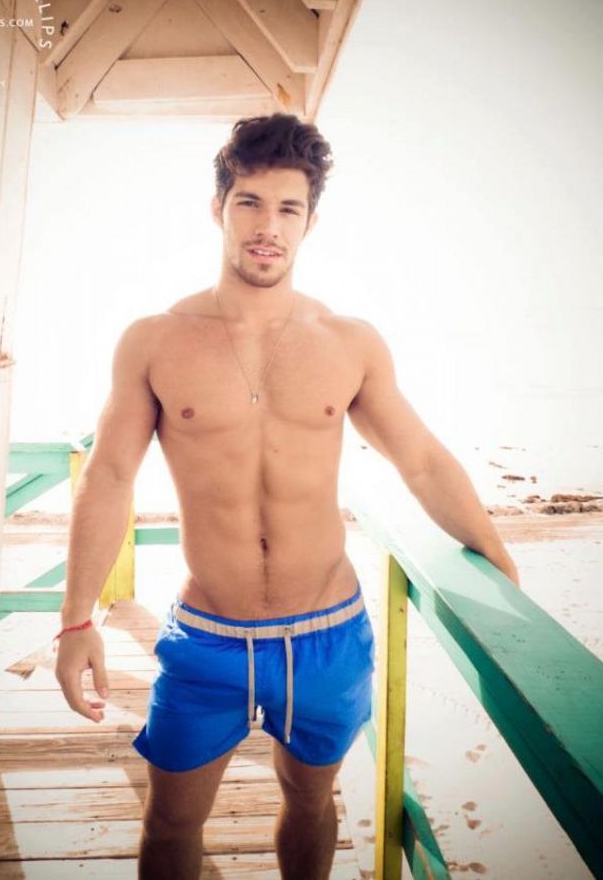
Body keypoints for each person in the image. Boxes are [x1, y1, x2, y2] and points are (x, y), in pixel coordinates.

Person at [54, 114, 520, 879]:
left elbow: (423, 461)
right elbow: (108, 477)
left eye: (288, 208)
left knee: (310, 803)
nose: (267, 227)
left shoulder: (349, 342)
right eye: (250, 202)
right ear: (218, 208)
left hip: (328, 634)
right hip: (208, 637)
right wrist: (76, 620)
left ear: (310, 222)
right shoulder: (155, 340)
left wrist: (498, 559)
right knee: (170, 821)